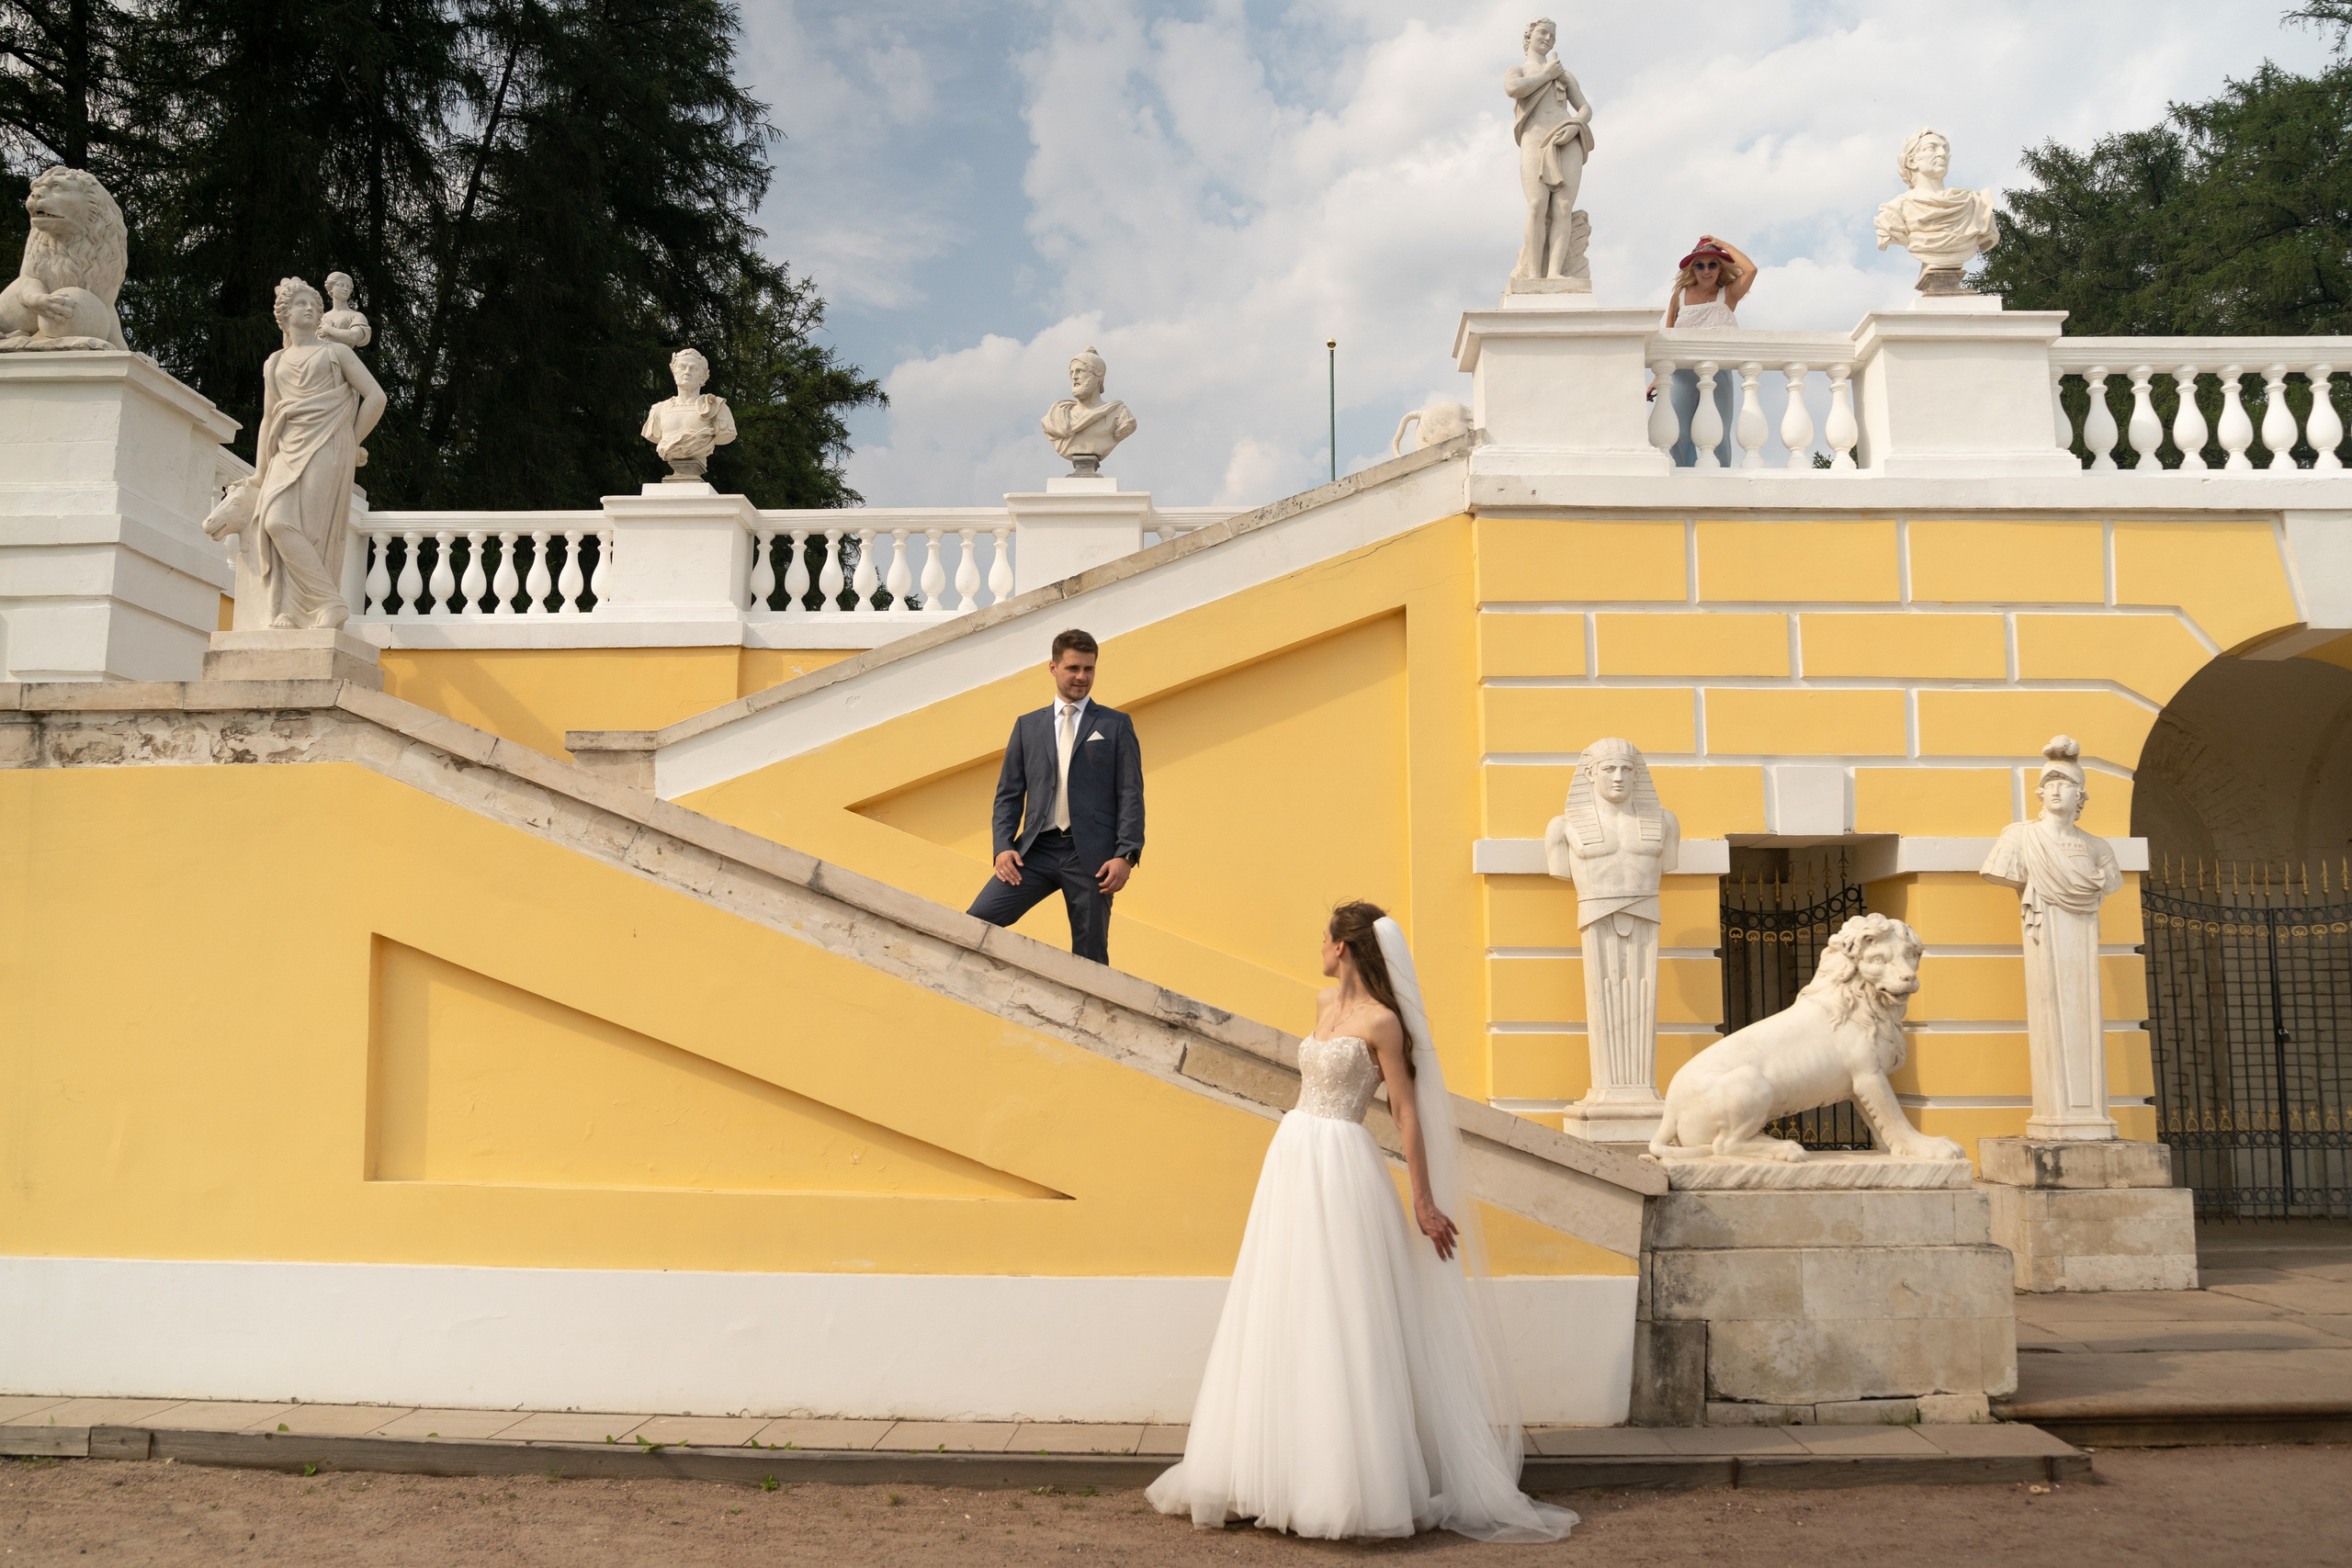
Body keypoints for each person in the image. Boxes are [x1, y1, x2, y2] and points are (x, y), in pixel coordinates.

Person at [1148, 903, 1578, 1543]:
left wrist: (1423, 1200)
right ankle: (1268, 1473)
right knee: (1281, 1306)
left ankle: (1343, 1482)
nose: (1318, 945)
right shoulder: (1324, 1004)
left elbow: (1405, 1110)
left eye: (1324, 936)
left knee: (1340, 1312)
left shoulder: (1383, 1023)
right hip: (1292, 1158)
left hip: (1344, 1164)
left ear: (1345, 946)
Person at [206, 276, 386, 628]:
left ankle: (309, 610)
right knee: (274, 522)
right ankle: (319, 603)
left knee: (313, 530)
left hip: (329, 445)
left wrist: (351, 440)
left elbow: (376, 397)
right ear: (284, 314)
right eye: (301, 304)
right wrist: (260, 473)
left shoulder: (336, 353)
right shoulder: (274, 363)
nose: (309, 309)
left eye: (314, 306)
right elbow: (269, 419)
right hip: (286, 451)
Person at [967, 628, 1144, 965]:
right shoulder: (1027, 726)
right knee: (977, 919)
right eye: (1073, 668)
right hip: (1036, 851)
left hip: (1091, 857)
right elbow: (1008, 794)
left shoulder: (1115, 724)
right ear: (1053, 667)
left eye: (1088, 669)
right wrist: (1003, 846)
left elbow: (1131, 793)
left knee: (1090, 956)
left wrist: (1126, 854)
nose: (1081, 677)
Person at [1660, 236, 1757, 467]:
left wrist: (1722, 245)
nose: (1706, 270)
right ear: (1692, 269)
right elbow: (1669, 336)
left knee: (1719, 429)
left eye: (1713, 264)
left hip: (1718, 371)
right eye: (1700, 265)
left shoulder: (1728, 294)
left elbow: (1751, 270)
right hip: (1682, 371)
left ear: (1720, 267)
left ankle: (1720, 477)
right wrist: (1658, 377)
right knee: (1678, 430)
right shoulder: (1680, 295)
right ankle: (1682, 478)